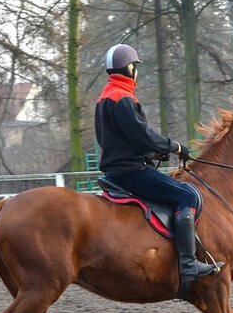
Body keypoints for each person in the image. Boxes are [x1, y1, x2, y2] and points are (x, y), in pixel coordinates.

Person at [94, 43, 222, 287]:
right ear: (130, 69)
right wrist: (173, 147)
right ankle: (188, 264)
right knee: (188, 195)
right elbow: (142, 135)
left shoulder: (105, 98)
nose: (137, 72)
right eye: (136, 67)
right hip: (130, 171)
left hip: (119, 167)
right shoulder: (123, 98)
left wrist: (152, 153)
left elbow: (123, 138)